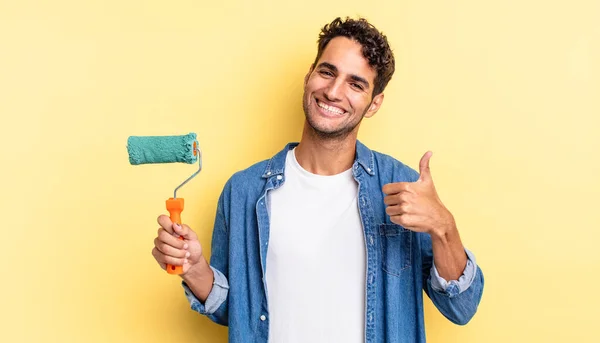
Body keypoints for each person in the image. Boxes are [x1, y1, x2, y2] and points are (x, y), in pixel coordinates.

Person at [151, 16, 484, 343]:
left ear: (374, 104)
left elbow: (461, 308)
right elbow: (237, 314)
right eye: (327, 72)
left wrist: (444, 227)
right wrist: (194, 268)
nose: (334, 91)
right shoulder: (244, 191)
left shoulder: (402, 187)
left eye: (356, 84)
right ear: (309, 75)